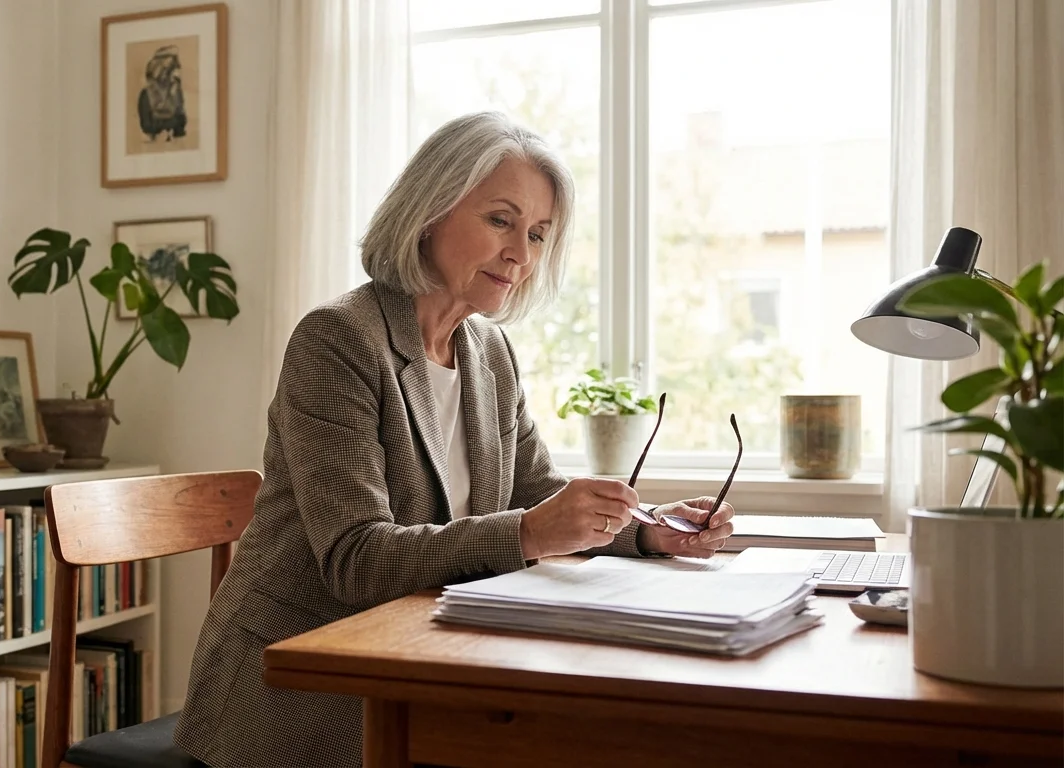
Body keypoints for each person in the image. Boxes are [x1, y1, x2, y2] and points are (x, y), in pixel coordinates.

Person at [172, 111, 735, 768]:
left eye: (537, 234)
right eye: (500, 220)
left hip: (415, 655)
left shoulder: (488, 351)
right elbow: (357, 560)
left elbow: (537, 494)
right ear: (430, 210)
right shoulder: (337, 340)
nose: (520, 255)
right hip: (301, 682)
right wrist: (528, 532)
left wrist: (645, 527)